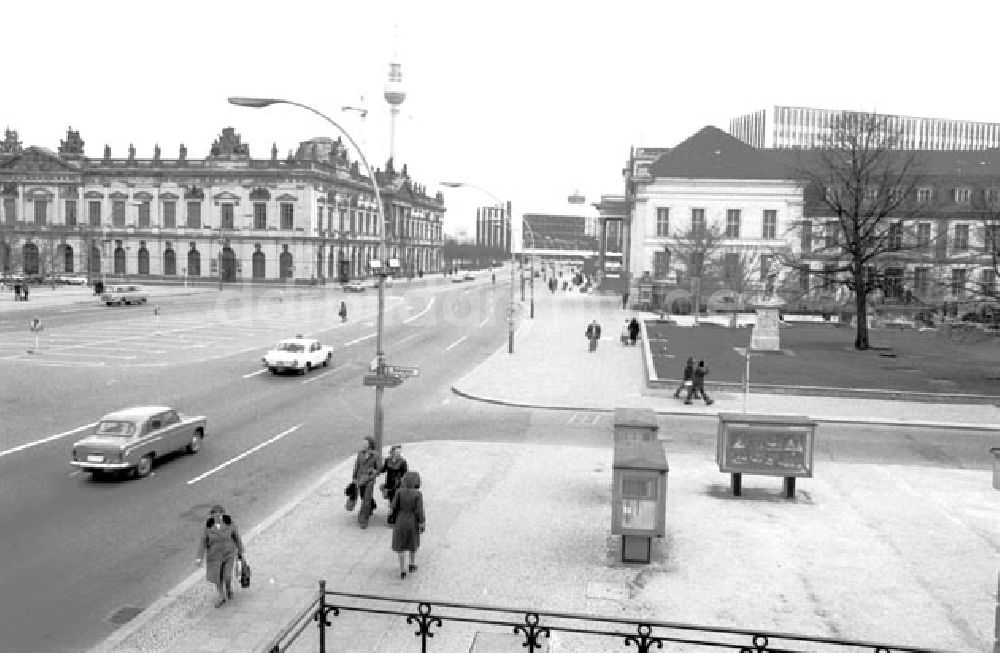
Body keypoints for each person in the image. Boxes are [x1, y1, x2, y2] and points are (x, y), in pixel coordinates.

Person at [195, 504, 245, 608]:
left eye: (219, 514)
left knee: (227, 576)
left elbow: (236, 536)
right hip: (214, 557)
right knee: (217, 578)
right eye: (215, 514)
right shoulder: (208, 526)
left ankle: (228, 587)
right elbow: (202, 542)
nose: (217, 516)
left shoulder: (229, 523)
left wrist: (240, 550)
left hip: (228, 554)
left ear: (223, 514)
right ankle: (221, 596)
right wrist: (199, 558)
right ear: (212, 516)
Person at [389, 470, 425, 579]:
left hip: (400, 520)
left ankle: (402, 570)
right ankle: (412, 564)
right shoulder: (418, 494)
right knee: (412, 543)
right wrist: (422, 522)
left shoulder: (399, 492)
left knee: (400, 546)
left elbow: (393, 507)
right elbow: (419, 511)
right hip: (412, 521)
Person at [352, 436, 383, 528]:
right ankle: (372, 506)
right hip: (360, 479)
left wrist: (373, 474)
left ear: (370, 445)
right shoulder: (360, 454)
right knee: (362, 496)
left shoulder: (375, 455)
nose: (363, 445)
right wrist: (354, 478)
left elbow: (379, 468)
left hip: (369, 480)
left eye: (365, 444)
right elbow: (357, 466)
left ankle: (363, 520)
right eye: (363, 443)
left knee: (366, 499)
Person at [380, 444, 408, 509]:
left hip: (398, 483)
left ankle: (395, 512)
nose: (398, 453)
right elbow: (384, 469)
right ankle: (392, 511)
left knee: (396, 498)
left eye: (399, 452)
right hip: (389, 482)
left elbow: (405, 474)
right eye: (397, 452)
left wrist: (402, 481)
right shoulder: (388, 460)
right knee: (391, 498)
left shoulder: (403, 462)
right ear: (392, 452)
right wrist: (376, 470)